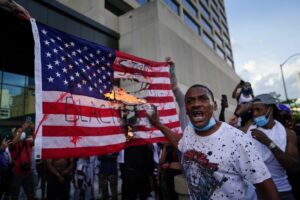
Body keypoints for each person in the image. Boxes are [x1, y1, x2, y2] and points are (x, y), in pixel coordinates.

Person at [148, 84, 280, 200]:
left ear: (215, 105)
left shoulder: (238, 140)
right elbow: (180, 142)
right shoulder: (189, 131)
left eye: (203, 98)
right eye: (190, 101)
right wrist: (157, 124)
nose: (196, 104)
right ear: (187, 109)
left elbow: (265, 186)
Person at [246, 94, 300, 199]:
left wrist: (268, 142)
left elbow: (294, 167)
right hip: (256, 192)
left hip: (282, 191)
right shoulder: (248, 129)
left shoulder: (288, 134)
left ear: (270, 110)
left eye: (258, 110)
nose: (255, 114)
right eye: (253, 111)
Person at [9, 123, 35, 200]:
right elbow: (13, 143)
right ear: (14, 134)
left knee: (31, 195)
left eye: (22, 132)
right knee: (14, 196)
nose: (21, 134)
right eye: (18, 132)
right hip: (17, 173)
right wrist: (22, 130)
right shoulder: (12, 144)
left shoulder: (27, 142)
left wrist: (32, 129)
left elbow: (34, 139)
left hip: (28, 173)